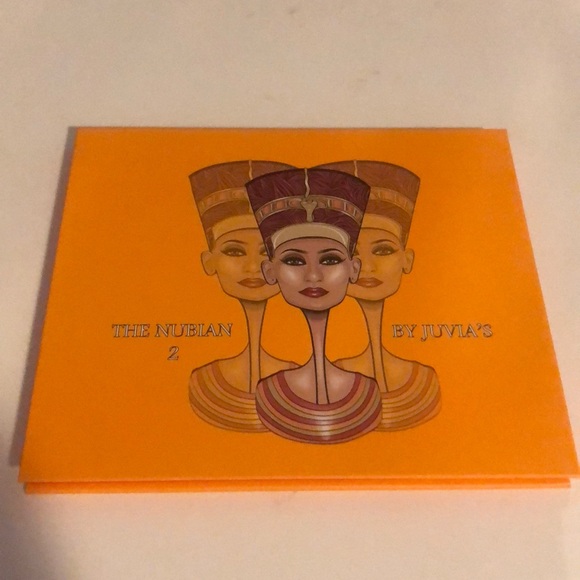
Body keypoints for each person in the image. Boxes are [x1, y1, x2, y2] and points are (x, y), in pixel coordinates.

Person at [245, 167, 383, 444]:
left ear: (354, 269)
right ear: (270, 271)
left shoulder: (368, 392)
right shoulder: (269, 391)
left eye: (330, 260)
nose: (313, 276)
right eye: (294, 261)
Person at [315, 160, 441, 431]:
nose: (367, 267)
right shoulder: (327, 377)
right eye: (352, 253)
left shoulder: (425, 381)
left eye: (383, 250)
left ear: (407, 260)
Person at [189, 160, 297, 432]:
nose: (252, 267)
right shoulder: (203, 382)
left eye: (267, 253)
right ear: (209, 262)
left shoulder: (298, 377)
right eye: (234, 251)